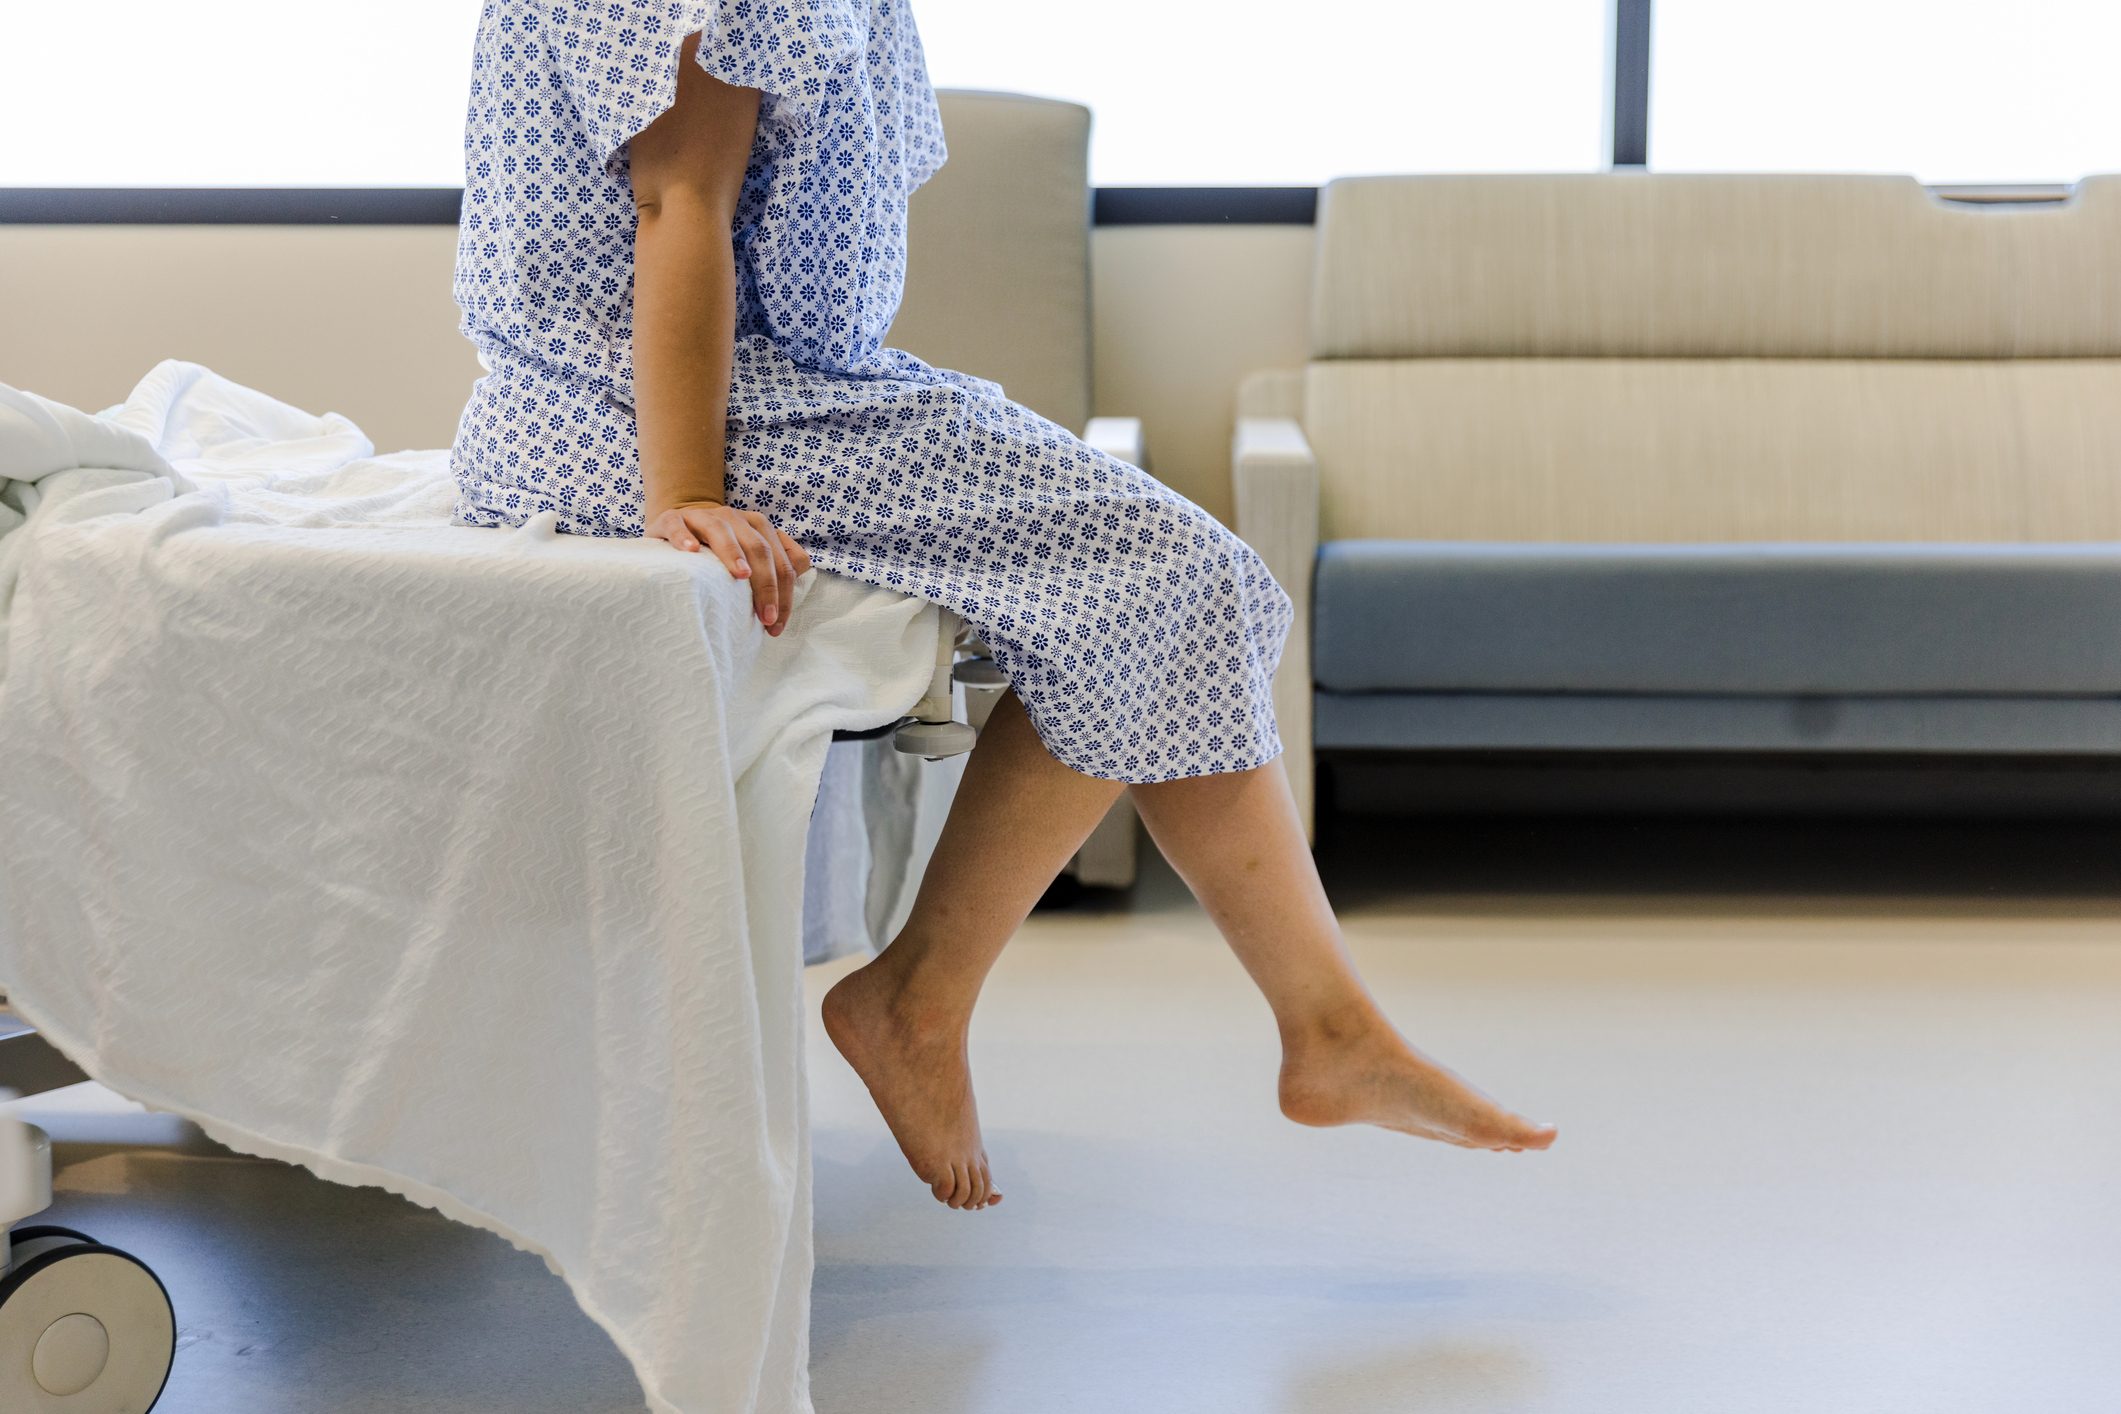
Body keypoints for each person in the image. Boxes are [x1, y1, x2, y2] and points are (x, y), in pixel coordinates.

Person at [450, 0, 1556, 1212]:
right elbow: (679, 200)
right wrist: (685, 493)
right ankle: (938, 1003)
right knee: (1175, 579)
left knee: (1177, 591)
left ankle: (1313, 1027)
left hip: (733, 389)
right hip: (629, 412)